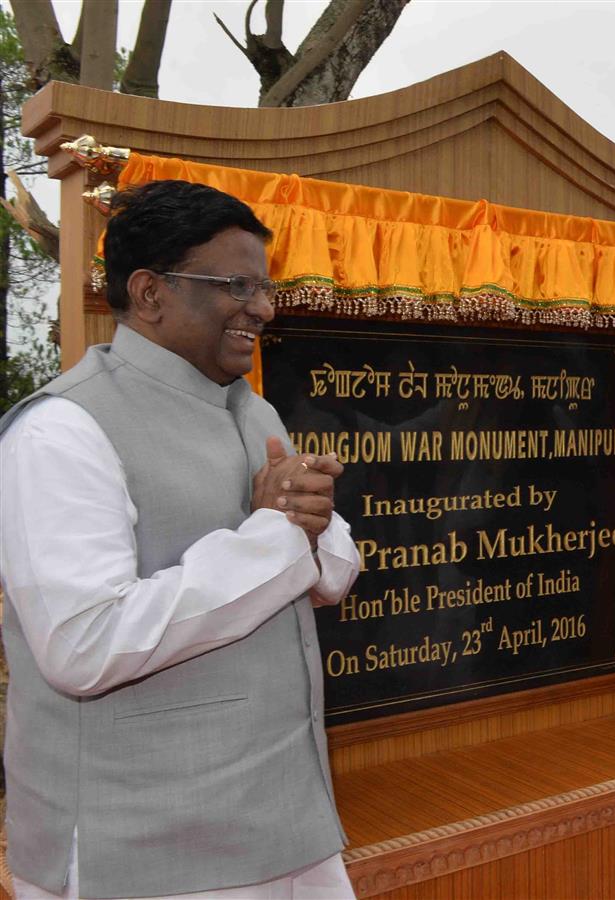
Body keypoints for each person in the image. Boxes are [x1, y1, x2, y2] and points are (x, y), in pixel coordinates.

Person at [0, 180, 360, 899]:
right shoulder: (61, 432)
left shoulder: (252, 410)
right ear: (150, 292)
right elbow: (83, 646)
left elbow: (331, 566)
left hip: (285, 821)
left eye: (265, 287)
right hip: (144, 851)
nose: (261, 308)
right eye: (234, 284)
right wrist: (275, 533)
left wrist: (304, 535)